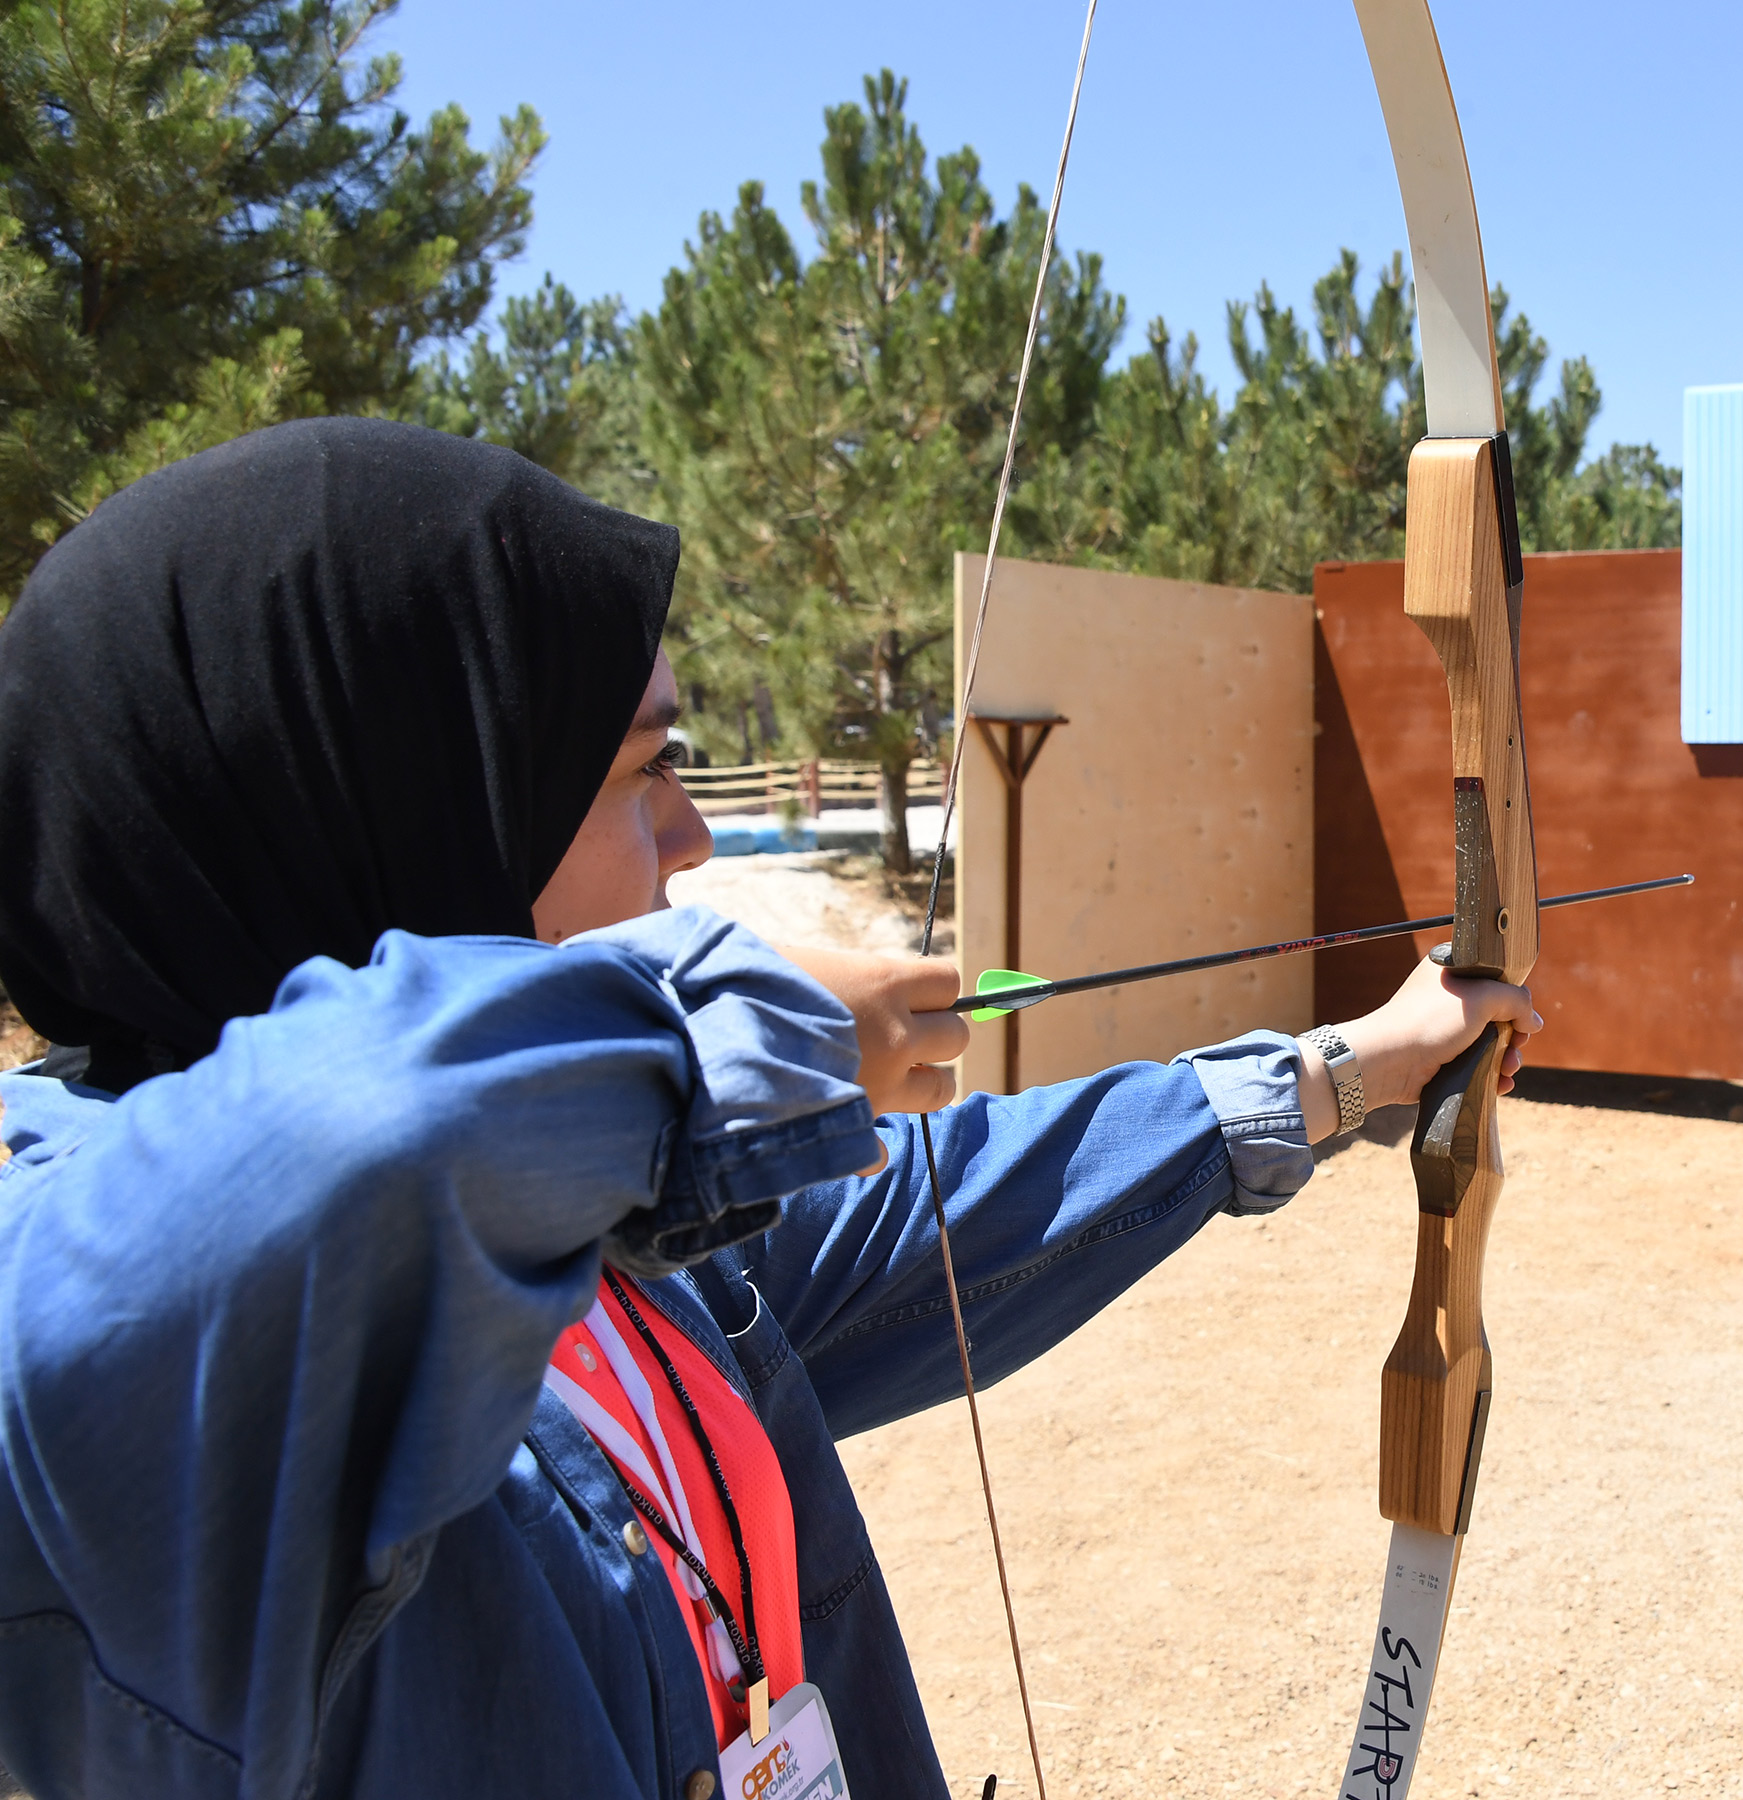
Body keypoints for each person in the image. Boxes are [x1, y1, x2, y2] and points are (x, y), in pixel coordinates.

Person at [0, 418, 1538, 1800]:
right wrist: (725, 1038)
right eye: (632, 772)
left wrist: (1350, 1069)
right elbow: (366, 1140)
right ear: (388, 799)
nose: (688, 837)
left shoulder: (609, 1218)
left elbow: (942, 1208)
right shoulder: (93, 1323)